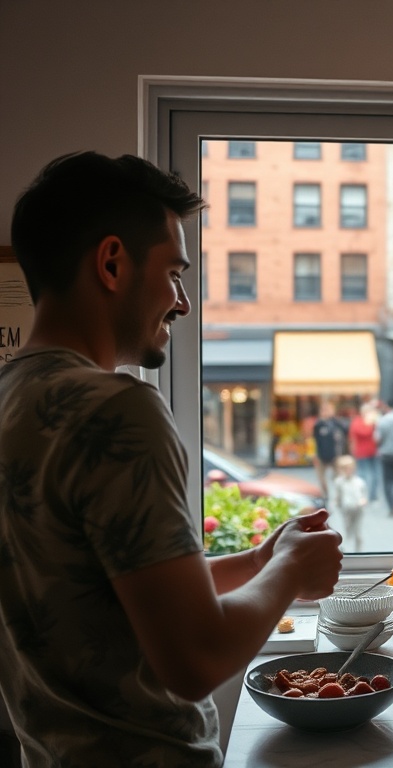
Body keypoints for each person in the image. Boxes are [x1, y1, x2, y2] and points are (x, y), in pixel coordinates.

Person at [0, 152, 345, 766]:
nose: (182, 303)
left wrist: (259, 560)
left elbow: (110, 593)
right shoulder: (115, 410)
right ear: (112, 263)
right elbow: (195, 659)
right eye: (174, 273)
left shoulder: (10, 399)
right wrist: (290, 572)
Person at [331, 454, 368, 551]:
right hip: (345, 509)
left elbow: (363, 494)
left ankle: (358, 549)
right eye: (345, 469)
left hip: (358, 508)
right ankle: (346, 547)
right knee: (346, 528)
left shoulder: (359, 482)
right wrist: (336, 504)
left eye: (350, 468)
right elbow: (338, 496)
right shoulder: (339, 482)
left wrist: (363, 501)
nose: (348, 471)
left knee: (357, 530)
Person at [311, 400, 347, 500]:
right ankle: (325, 495)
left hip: (335, 455)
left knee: (338, 477)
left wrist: (334, 417)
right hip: (321, 455)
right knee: (321, 478)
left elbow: (345, 430)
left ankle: (339, 495)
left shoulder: (336, 423)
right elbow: (315, 438)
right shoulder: (319, 424)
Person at [349, 400, 381, 504]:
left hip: (373, 451)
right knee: (364, 475)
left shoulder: (374, 421)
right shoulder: (358, 421)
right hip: (362, 452)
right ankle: (363, 496)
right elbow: (362, 433)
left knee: (374, 475)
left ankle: (372, 496)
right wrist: (372, 425)